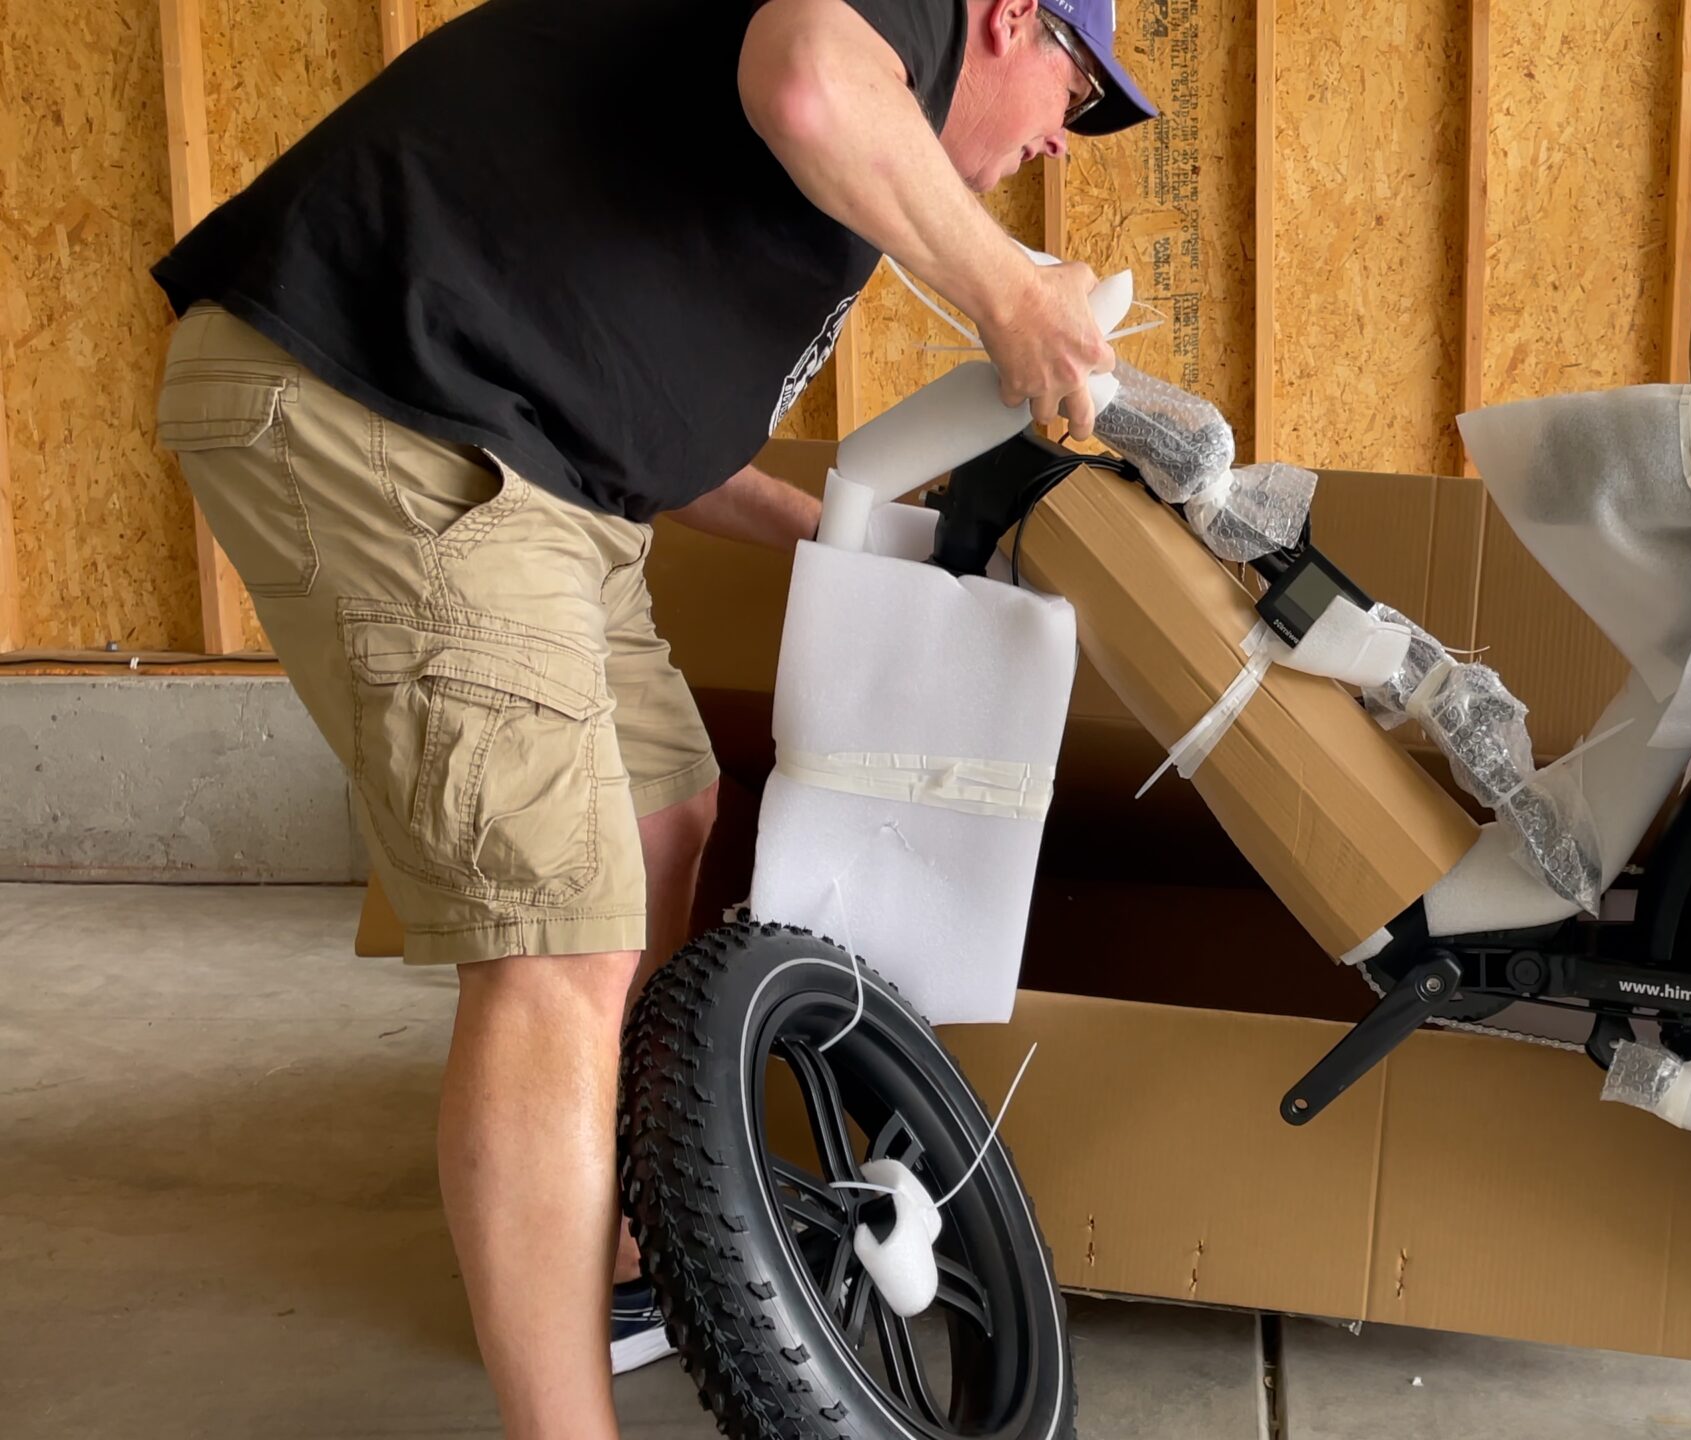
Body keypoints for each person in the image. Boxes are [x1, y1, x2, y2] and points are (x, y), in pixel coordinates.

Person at [147, 0, 1154, 1433]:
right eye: (1079, 90)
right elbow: (809, 83)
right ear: (1010, 19)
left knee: (668, 815)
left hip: (535, 459)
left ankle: (629, 1238)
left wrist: (846, 538)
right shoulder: (885, 35)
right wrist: (1008, 291)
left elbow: (656, 428)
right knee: (560, 943)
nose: (1065, 137)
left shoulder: (839, 194)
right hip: (390, 408)